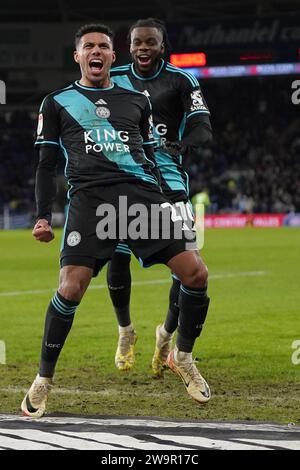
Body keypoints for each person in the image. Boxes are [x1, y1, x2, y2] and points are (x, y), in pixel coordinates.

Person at [21, 22, 211, 418]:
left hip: (140, 198)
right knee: (71, 288)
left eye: (103, 47)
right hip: (90, 201)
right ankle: (43, 379)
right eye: (88, 46)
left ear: (112, 56)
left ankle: (184, 357)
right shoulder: (56, 102)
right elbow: (45, 164)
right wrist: (42, 216)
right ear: (78, 56)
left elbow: (147, 156)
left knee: (196, 275)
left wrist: (161, 200)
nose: (96, 52)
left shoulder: (136, 100)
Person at [107, 18, 212, 377]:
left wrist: (183, 144)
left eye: (151, 42)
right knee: (117, 258)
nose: (143, 48)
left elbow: (202, 125)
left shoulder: (183, 80)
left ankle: (166, 337)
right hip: (124, 178)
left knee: (185, 267)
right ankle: (125, 332)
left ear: (162, 46)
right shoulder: (113, 76)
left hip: (169, 182)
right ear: (129, 45)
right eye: (138, 42)